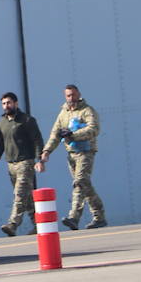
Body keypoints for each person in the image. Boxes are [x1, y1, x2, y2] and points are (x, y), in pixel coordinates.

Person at [36, 84, 108, 230]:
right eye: (68, 95)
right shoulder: (63, 114)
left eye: (74, 95)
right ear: (65, 96)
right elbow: (55, 134)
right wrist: (46, 152)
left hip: (86, 152)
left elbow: (94, 128)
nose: (71, 98)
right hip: (72, 154)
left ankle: (74, 217)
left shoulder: (87, 110)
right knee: (85, 185)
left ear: (79, 94)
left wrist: (74, 135)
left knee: (79, 182)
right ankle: (99, 216)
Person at [0, 92, 41, 236]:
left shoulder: (27, 120)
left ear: (16, 103)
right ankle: (38, 224)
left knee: (19, 193)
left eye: (9, 103)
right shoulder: (2, 122)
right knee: (27, 197)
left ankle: (13, 224)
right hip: (11, 164)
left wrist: (39, 159)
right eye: (4, 103)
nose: (6, 106)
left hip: (25, 162)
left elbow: (37, 140)